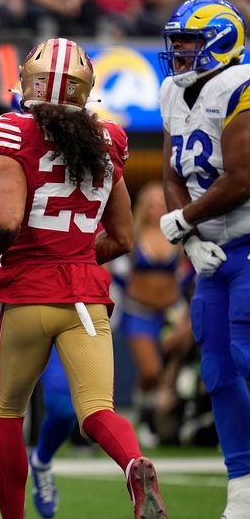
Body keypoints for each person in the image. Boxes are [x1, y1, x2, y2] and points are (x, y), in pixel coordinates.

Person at [0, 38, 166, 519]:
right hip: (85, 297)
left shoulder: (11, 132)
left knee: (8, 414)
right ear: (84, 91)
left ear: (29, 82)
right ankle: (134, 463)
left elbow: (9, 220)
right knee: (98, 411)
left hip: (26, 294)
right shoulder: (109, 141)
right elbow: (121, 238)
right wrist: (74, 255)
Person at [157, 0, 250, 516]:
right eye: (177, 43)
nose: (179, 53)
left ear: (220, 41)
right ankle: (243, 489)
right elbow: (174, 173)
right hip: (214, 252)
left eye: (189, 42)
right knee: (215, 368)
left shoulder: (240, 86)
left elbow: (243, 177)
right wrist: (190, 239)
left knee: (245, 352)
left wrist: (186, 221)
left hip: (249, 241)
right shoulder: (173, 90)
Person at [0, 146, 77, 518]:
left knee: (63, 406)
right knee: (7, 410)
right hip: (7, 301)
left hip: (57, 294)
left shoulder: (71, 157)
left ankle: (42, 461)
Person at [116, 182, 185, 448]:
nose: (156, 207)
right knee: (150, 370)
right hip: (138, 313)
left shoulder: (176, 235)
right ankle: (143, 416)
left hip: (169, 314)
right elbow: (119, 274)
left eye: (161, 202)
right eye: (152, 203)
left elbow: (186, 274)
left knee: (168, 375)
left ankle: (156, 419)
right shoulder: (132, 234)